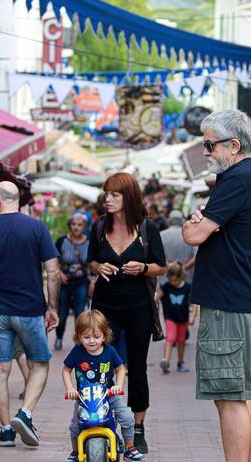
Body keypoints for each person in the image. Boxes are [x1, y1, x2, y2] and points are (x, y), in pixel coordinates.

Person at [183, 110, 251, 462]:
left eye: (209, 144)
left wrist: (201, 223)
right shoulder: (250, 176)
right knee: (244, 394)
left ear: (233, 145)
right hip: (248, 299)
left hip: (230, 304)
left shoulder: (235, 179)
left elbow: (194, 234)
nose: (205, 152)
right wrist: (207, 223)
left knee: (230, 397)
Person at [0, 181, 61, 448]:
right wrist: (52, 307)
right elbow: (53, 272)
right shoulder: (37, 228)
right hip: (30, 309)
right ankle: (25, 413)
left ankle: (6, 429)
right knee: (39, 363)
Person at [88, 172, 166, 453]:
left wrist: (143, 268)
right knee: (100, 365)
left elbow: (161, 266)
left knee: (137, 366)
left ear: (128, 197)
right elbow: (91, 261)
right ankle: (102, 420)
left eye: (114, 195)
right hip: (105, 307)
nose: (107, 199)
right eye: (106, 194)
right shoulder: (98, 228)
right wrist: (99, 268)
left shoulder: (148, 229)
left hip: (138, 308)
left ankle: (138, 427)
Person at [61, 310, 144, 462]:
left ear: (104, 335)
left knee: (126, 417)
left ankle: (130, 448)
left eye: (96, 337)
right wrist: (70, 388)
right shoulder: (77, 352)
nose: (91, 341)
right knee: (75, 426)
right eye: (86, 337)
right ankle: (75, 451)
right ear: (79, 336)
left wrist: (118, 386)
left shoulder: (110, 351)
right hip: (84, 398)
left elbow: (120, 369)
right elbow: (66, 370)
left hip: (109, 395)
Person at [54, 213, 91, 350]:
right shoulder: (62, 241)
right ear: (70, 225)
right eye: (74, 224)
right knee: (62, 313)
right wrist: (59, 273)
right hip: (65, 282)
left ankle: (79, 340)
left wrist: (92, 281)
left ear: (84, 227)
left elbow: (92, 264)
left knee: (80, 312)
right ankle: (59, 337)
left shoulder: (89, 242)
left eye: (79, 225)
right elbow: (52, 260)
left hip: (81, 282)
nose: (76, 227)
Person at [154, 262, 196, 374]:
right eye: (170, 280)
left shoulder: (188, 287)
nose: (173, 283)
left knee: (181, 341)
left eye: (175, 281)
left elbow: (195, 303)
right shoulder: (167, 287)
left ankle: (180, 362)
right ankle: (166, 361)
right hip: (170, 318)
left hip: (183, 319)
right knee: (170, 338)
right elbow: (157, 297)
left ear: (181, 276)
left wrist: (193, 316)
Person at [159, 210, 196, 285]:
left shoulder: (161, 235)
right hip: (186, 279)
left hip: (166, 279)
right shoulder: (190, 235)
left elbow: (159, 255)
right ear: (182, 221)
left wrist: (171, 267)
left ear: (169, 220)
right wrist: (183, 268)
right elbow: (196, 256)